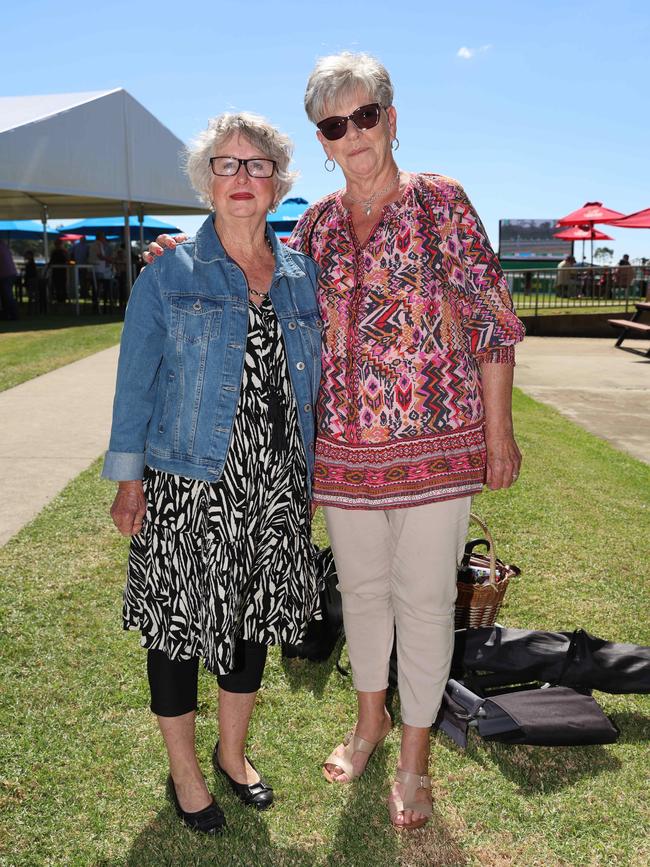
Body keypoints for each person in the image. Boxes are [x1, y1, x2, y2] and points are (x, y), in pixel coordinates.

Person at [146, 52, 525, 832]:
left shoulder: (441, 203)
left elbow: (491, 318)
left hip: (438, 447)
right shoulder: (315, 224)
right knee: (361, 595)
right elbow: (250, 268)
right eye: (333, 123)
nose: (351, 133)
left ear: (391, 118)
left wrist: (500, 430)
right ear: (320, 140)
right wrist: (173, 259)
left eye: (364, 115)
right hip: (341, 457)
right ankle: (368, 721)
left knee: (423, 599)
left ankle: (414, 756)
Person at [103, 112, 322, 835]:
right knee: (175, 628)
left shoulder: (301, 275)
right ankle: (185, 770)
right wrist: (129, 478)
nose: (242, 178)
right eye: (226, 165)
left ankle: (232, 754)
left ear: (279, 183)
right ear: (205, 180)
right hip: (187, 484)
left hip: (276, 486)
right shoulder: (170, 273)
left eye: (257, 165)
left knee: (249, 622)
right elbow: (136, 384)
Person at [88, 231, 113, 310]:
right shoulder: (97, 244)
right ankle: (98, 306)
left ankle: (99, 305)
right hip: (98, 270)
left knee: (98, 288)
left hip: (99, 269)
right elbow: (100, 256)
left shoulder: (97, 244)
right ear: (100, 238)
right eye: (103, 237)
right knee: (98, 288)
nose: (104, 239)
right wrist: (110, 260)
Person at [0, 239, 19, 320]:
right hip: (10, 274)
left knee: (7, 296)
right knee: (6, 295)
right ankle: (7, 314)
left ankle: (13, 315)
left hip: (6, 274)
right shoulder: (4, 246)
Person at [47, 238, 70, 304]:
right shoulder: (56, 252)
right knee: (58, 286)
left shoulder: (63, 252)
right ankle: (59, 299)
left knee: (61, 286)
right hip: (57, 271)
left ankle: (62, 299)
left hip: (61, 271)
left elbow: (67, 260)